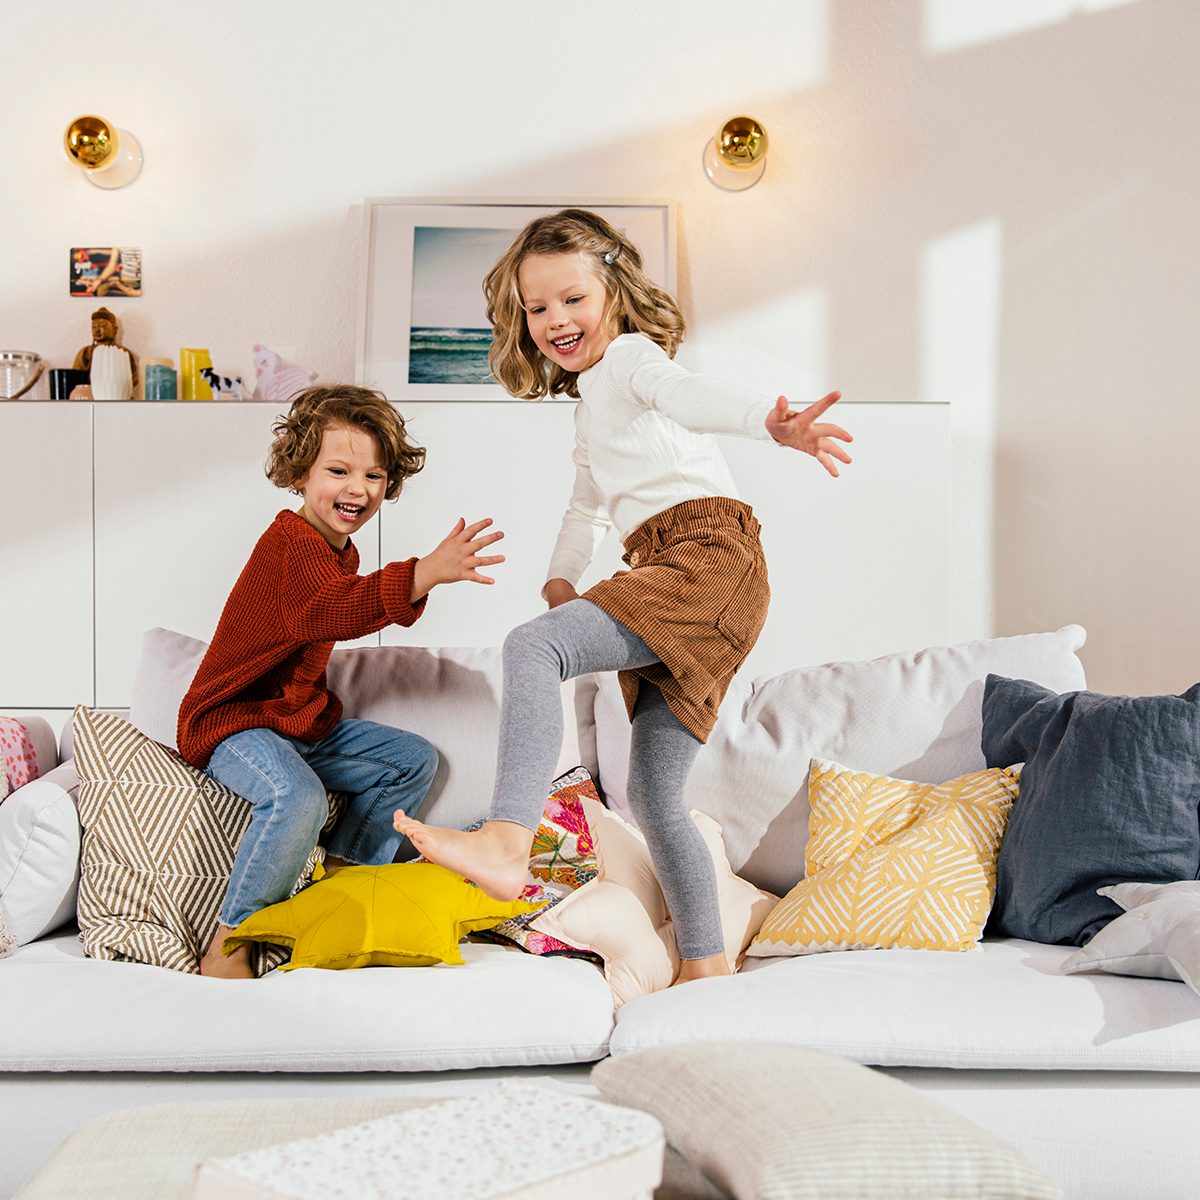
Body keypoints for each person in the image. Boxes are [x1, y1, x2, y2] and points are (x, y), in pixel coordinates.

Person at [394, 209, 853, 986]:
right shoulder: (592, 405)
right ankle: (706, 968)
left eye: (572, 299)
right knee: (653, 794)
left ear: (615, 293)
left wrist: (766, 424)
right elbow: (586, 510)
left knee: (533, 648)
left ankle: (507, 840)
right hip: (689, 573)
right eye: (537, 308)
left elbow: (687, 393)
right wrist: (559, 579)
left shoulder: (633, 359)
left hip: (705, 559)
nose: (555, 320)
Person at [178, 385, 505, 978]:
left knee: (411, 760)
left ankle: (342, 878)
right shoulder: (290, 545)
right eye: (338, 471)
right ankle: (231, 941)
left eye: (374, 476)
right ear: (300, 472)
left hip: (296, 722)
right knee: (296, 797)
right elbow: (335, 609)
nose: (358, 489)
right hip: (233, 723)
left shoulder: (338, 551)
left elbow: (338, 603)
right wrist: (424, 573)